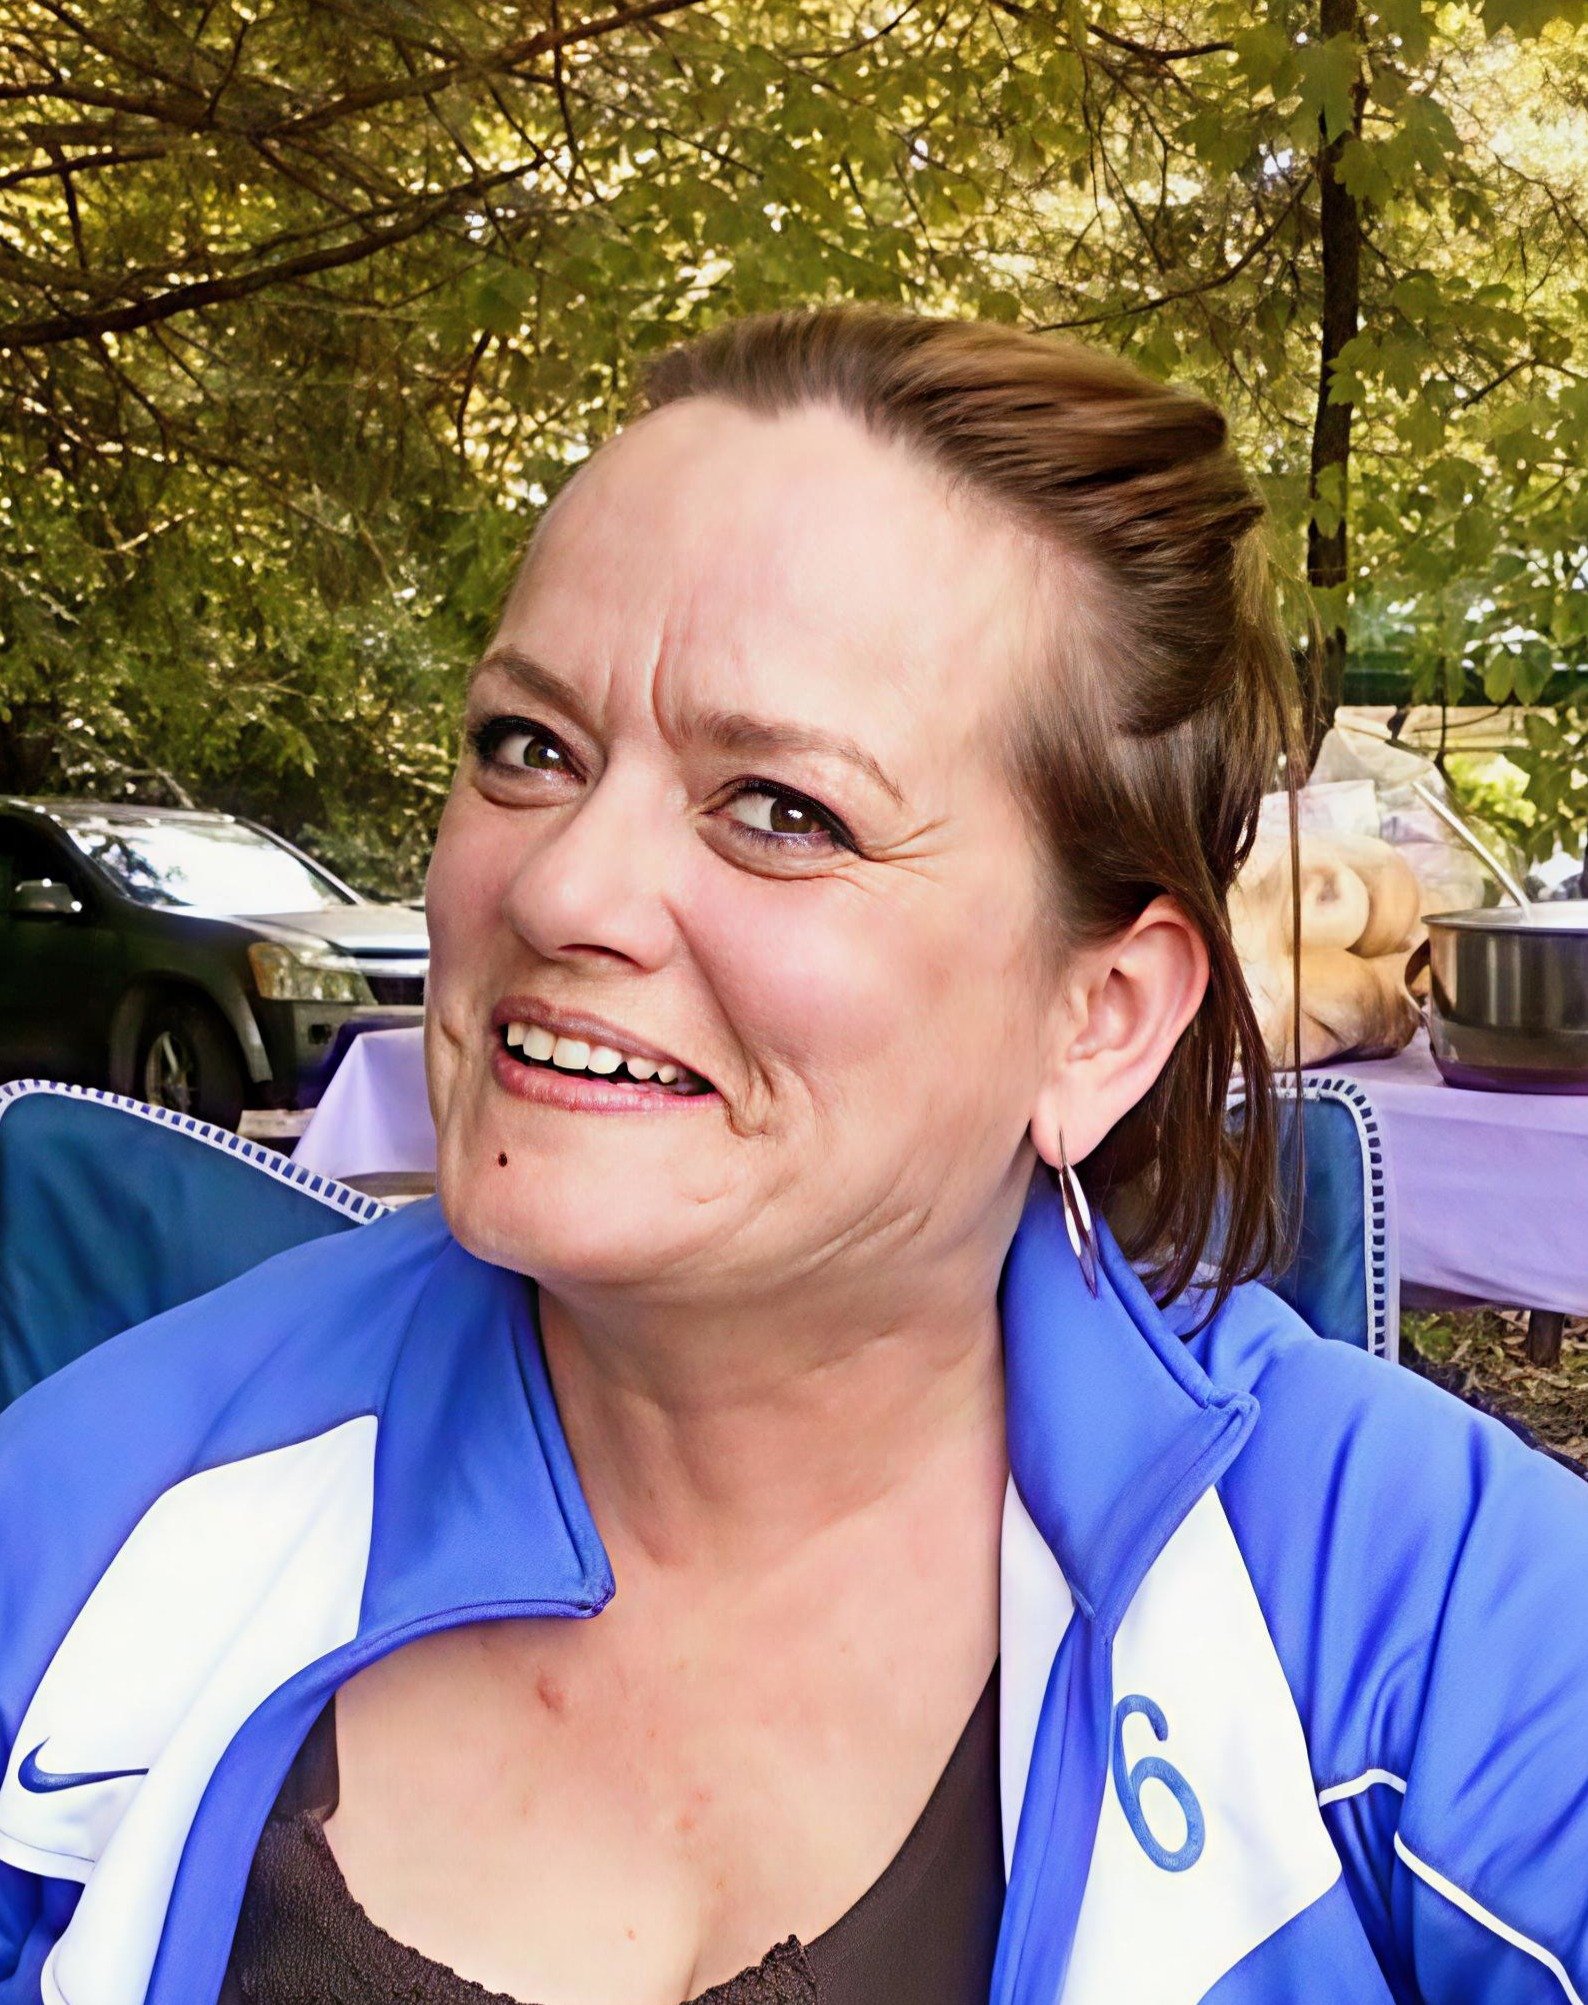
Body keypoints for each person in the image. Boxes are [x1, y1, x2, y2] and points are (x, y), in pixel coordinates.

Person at [0, 305, 1585, 2005]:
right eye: (529, 747)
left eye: (782, 809)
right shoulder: (92, 1518)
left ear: (1100, 1019)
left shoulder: (1421, 1614)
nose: (561, 890)